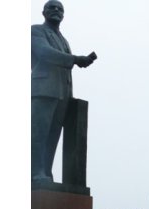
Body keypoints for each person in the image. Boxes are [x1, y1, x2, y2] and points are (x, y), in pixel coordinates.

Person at [31, 1, 96, 182]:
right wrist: (75, 59)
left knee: (53, 137)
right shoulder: (35, 30)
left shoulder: (63, 39)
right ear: (43, 12)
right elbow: (44, 53)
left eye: (60, 9)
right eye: (52, 8)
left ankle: (46, 173)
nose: (56, 11)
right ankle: (35, 172)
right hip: (43, 90)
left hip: (63, 94)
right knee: (39, 134)